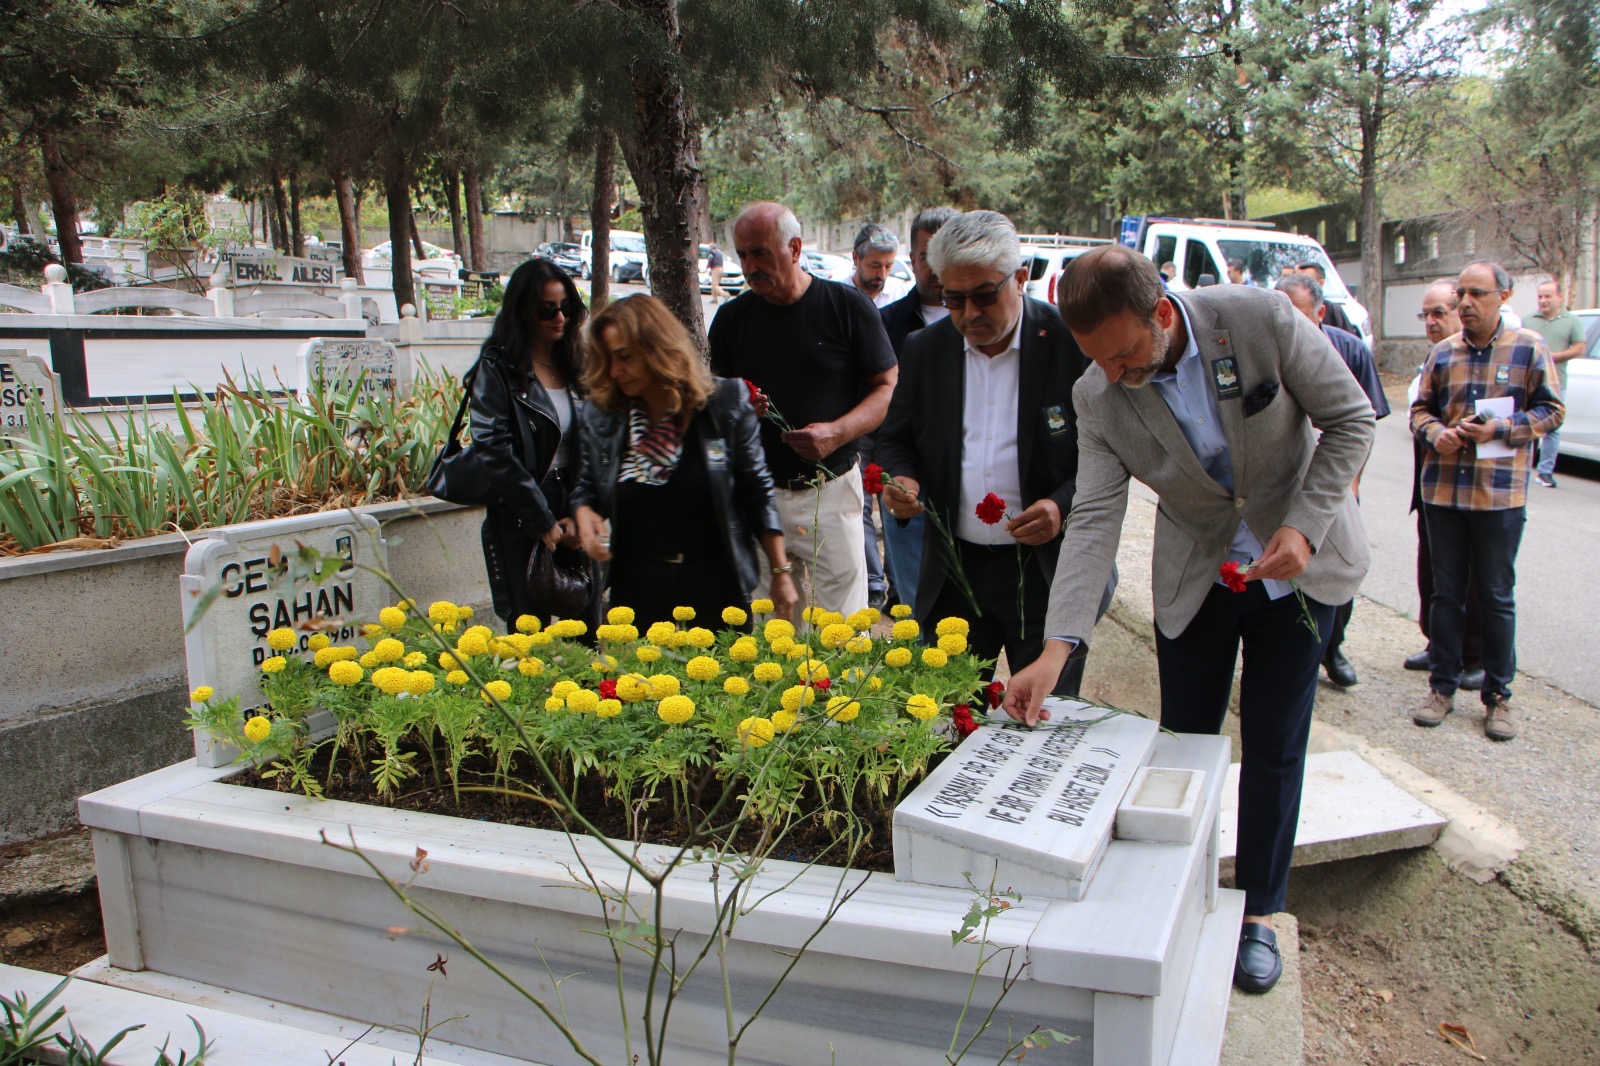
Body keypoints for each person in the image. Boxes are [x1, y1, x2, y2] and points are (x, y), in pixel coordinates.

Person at [1004, 244, 1375, 995]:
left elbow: (1351, 420)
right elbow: (1098, 514)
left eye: (1124, 354)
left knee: (1274, 744)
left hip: (1296, 565)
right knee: (1186, 746)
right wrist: (1056, 646)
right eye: (1096, 360)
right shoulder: (1098, 393)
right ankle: (1181, 895)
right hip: (1197, 574)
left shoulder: (1261, 320)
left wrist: (1304, 524)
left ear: (1163, 315)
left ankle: (1262, 911)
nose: (1114, 373)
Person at [877, 210, 1102, 693]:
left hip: (1045, 575)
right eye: (952, 299)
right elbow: (895, 438)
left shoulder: (1070, 345)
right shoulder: (924, 349)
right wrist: (904, 479)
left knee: (1042, 721)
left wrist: (1061, 505)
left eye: (984, 295)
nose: (969, 314)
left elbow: (1107, 459)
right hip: (954, 574)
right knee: (945, 722)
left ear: (1020, 278)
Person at [709, 201, 898, 619]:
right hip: (760, 494)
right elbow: (715, 401)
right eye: (742, 254)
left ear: (794, 249)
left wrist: (837, 433)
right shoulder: (730, 319)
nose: (749, 265)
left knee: (844, 630)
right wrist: (737, 411)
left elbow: (886, 387)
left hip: (830, 489)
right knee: (767, 632)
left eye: (760, 252)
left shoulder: (847, 308)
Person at [572, 295, 798, 628]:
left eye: (624, 357)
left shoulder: (724, 404)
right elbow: (586, 485)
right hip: (635, 593)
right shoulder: (604, 414)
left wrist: (781, 573)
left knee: (718, 680)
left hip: (717, 591)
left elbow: (757, 491)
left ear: (657, 348)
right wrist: (584, 512)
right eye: (607, 359)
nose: (615, 371)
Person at [1410, 260, 1564, 742]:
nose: (1466, 303)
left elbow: (1552, 411)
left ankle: (1498, 696)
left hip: (1499, 498)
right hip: (1444, 493)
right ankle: (1442, 687)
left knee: (1496, 597)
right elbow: (1418, 410)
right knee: (1446, 595)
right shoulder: (1442, 353)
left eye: (1477, 293)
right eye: (1461, 294)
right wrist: (1437, 434)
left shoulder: (1529, 349)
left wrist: (1500, 429)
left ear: (1504, 296)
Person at [468, 258, 597, 632]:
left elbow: (594, 443)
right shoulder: (497, 367)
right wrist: (540, 519)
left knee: (587, 629)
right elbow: (493, 447)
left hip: (574, 503)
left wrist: (582, 510)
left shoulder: (578, 362)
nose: (560, 318)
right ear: (523, 312)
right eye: (547, 310)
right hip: (520, 508)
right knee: (528, 635)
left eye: (567, 308)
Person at [1277, 273, 1391, 689]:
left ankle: (1333, 647)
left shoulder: (1350, 350)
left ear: (1320, 312)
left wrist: (1351, 483)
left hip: (1333, 479)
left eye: (1298, 313)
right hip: (1286, 479)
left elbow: (1364, 422)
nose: (1285, 322)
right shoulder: (1265, 349)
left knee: (1334, 569)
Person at [878, 206, 959, 614]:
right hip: (909, 495)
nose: (937, 266)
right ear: (911, 259)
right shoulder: (885, 323)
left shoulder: (991, 326)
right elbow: (880, 410)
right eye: (927, 255)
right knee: (919, 613)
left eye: (948, 252)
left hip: (971, 497)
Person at [1405, 282, 1485, 687]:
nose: (1431, 322)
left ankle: (1473, 655)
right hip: (1432, 485)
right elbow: (1419, 412)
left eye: (1439, 312)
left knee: (1469, 578)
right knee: (1434, 575)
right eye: (1426, 315)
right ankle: (1440, 644)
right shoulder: (1437, 356)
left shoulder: (1476, 359)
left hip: (1473, 488)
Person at [1524, 280, 1587, 489]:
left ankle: (1545, 472)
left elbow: (1579, 348)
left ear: (1560, 297)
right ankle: (1523, 468)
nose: (1543, 300)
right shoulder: (1528, 321)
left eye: (1548, 296)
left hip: (1556, 382)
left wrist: (1552, 357)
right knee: (1524, 422)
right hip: (1528, 382)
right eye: (1540, 296)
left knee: (1553, 427)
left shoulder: (1571, 321)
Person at [850, 223, 910, 309]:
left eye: (888, 266)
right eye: (875, 266)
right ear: (856, 258)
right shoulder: (835, 294)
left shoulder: (902, 294)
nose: (882, 274)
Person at [1295, 263, 1356, 335]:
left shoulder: (1332, 310)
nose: (1300, 286)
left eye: (1306, 282)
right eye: (1297, 281)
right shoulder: (1287, 306)